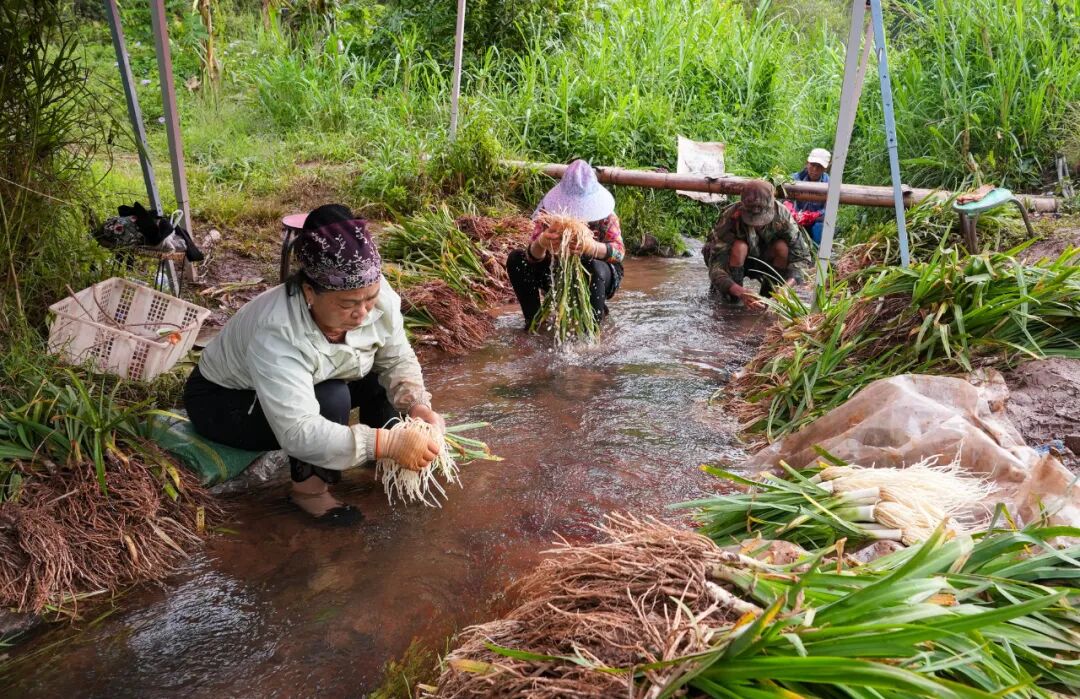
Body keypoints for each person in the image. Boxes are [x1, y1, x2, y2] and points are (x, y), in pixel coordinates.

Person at [183, 204, 445, 525]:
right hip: (225, 403)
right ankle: (309, 492)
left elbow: (396, 357)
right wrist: (383, 443)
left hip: (310, 377)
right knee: (331, 398)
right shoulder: (277, 330)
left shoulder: (379, 296)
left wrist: (419, 407)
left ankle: (383, 464)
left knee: (380, 376)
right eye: (348, 304)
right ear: (310, 292)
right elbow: (298, 431)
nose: (362, 313)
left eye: (370, 298)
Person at [505, 159, 625, 327]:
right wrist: (541, 243)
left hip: (598, 275)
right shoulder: (549, 214)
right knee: (517, 259)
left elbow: (619, 253)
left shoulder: (607, 216)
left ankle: (591, 329)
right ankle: (534, 323)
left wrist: (591, 247)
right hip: (556, 270)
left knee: (593, 267)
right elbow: (532, 258)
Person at [703, 180, 812, 309]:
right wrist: (739, 291)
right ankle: (734, 301)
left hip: (767, 261)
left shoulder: (783, 216)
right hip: (737, 262)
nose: (758, 224)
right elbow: (715, 266)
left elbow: (802, 258)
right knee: (739, 247)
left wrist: (786, 288)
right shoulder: (730, 217)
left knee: (781, 247)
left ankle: (768, 298)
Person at [791, 148, 831, 245]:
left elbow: (830, 209)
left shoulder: (829, 183)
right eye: (812, 165)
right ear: (807, 163)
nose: (815, 170)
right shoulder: (795, 179)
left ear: (825, 168)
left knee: (819, 227)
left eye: (819, 167)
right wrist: (792, 211)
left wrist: (815, 215)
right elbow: (786, 200)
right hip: (797, 219)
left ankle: (817, 251)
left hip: (817, 221)